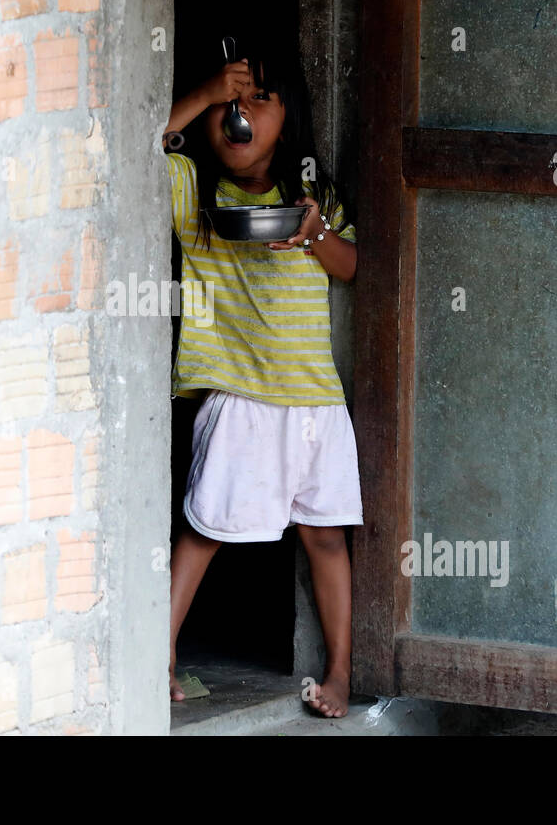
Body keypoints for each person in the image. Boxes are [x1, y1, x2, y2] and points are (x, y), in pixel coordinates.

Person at [161, 35, 363, 718]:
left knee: (326, 535)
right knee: (206, 526)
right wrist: (205, 94)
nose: (237, 114)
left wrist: (312, 233)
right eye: (228, 104)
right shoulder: (195, 199)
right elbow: (149, 137)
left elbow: (354, 265)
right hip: (241, 397)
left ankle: (339, 672)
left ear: (291, 119)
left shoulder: (316, 197)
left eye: (256, 101)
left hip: (315, 402)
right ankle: (157, 650)